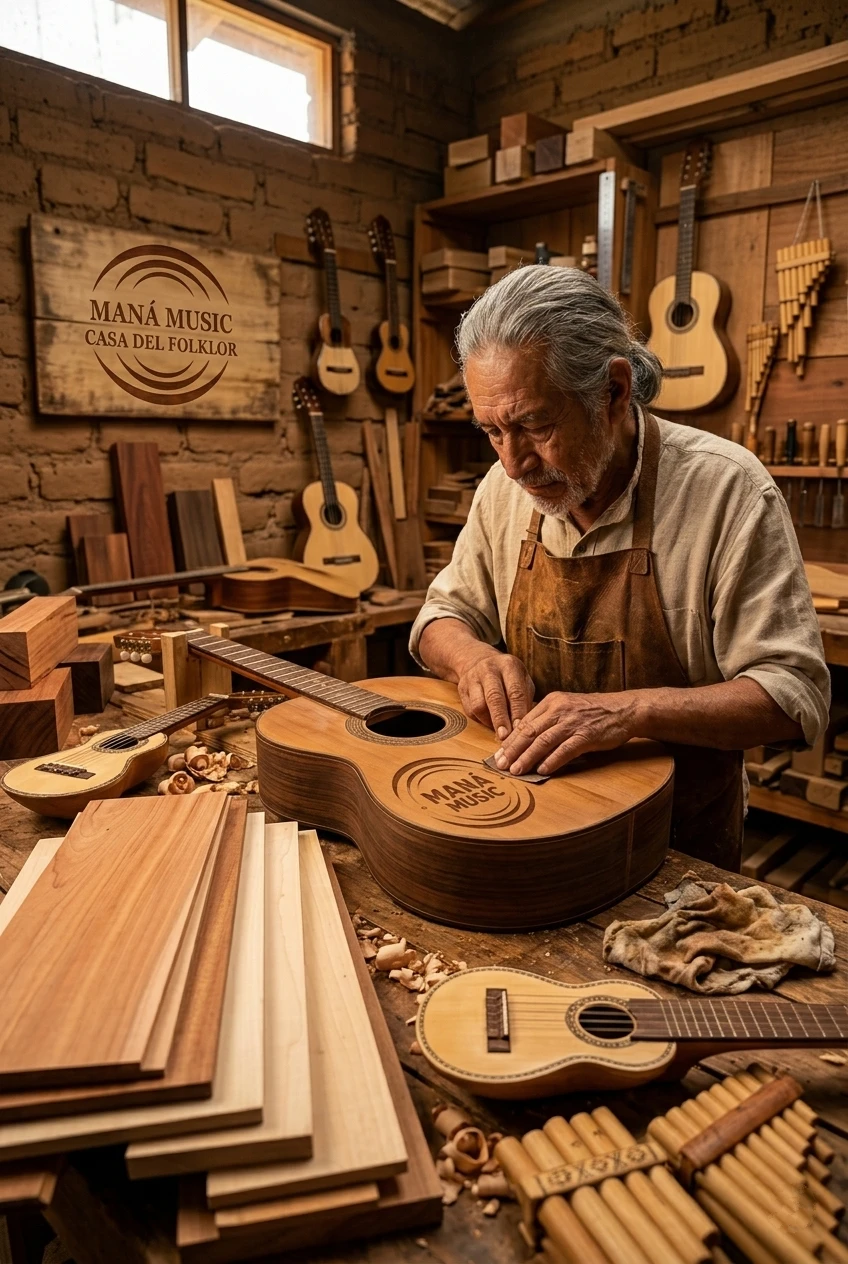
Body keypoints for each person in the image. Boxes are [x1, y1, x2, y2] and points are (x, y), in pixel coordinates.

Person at [410, 266, 829, 870]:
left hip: (677, 850)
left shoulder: (728, 491)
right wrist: (471, 658)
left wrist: (627, 713)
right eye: (493, 432)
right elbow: (438, 618)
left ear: (612, 391)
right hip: (530, 827)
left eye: (535, 425)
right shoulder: (500, 494)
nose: (515, 463)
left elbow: (793, 696)